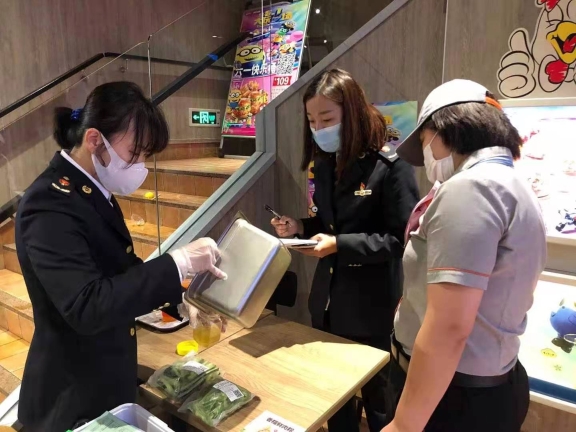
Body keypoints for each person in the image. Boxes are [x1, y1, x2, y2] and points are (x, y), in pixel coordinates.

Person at [15, 82, 226, 432]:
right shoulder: (49, 203)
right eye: (135, 153)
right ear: (95, 140)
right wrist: (177, 263)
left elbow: (122, 272)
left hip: (107, 376)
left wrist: (183, 298)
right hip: (72, 393)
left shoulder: (93, 190)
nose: (140, 166)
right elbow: (87, 305)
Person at [383, 79, 547, 432]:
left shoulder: (471, 188)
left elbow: (449, 327)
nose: (426, 155)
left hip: (449, 399)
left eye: (423, 141)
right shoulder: (513, 184)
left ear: (443, 130)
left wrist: (404, 424)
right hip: (478, 387)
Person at [271, 69, 419, 432]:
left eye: (326, 119)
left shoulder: (390, 166)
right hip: (328, 302)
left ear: (351, 113)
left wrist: (339, 245)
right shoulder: (325, 163)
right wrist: (301, 227)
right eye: (311, 120)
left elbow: (400, 240)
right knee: (334, 399)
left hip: (372, 309)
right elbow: (329, 222)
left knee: (380, 405)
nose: (318, 128)